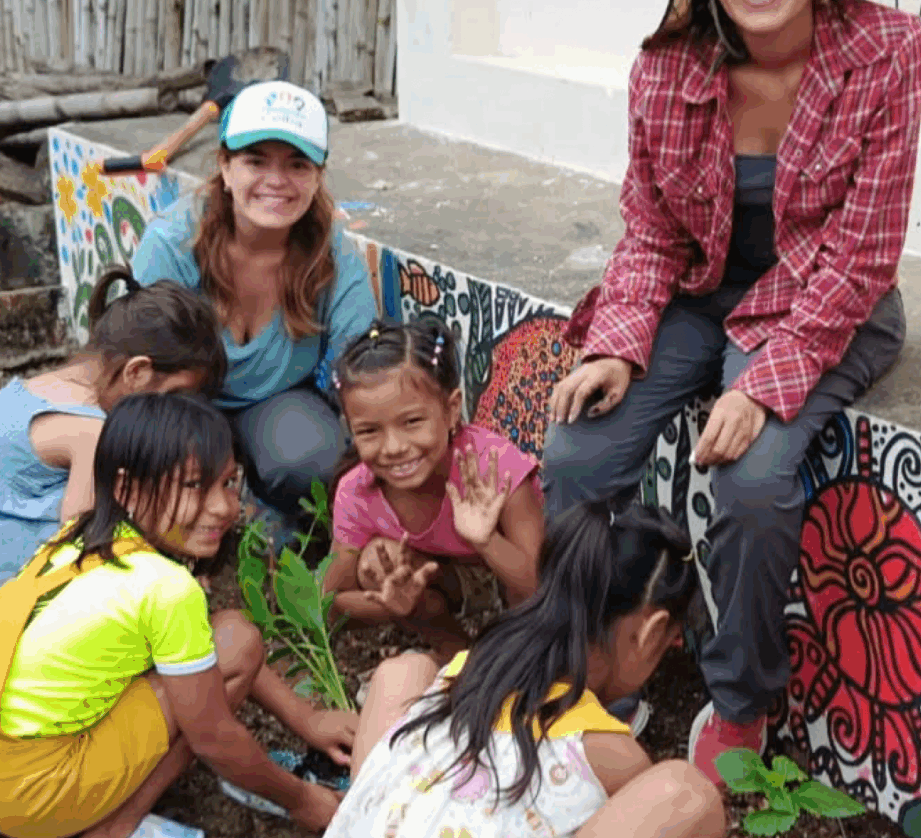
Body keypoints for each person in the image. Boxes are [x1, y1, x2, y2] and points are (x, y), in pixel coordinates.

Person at [542, 0, 921, 782]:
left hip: (827, 301)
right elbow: (651, 228)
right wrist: (618, 340)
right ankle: (599, 664)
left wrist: (764, 380)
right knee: (576, 452)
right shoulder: (668, 63)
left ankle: (743, 699)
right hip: (700, 291)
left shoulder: (885, 52)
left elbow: (863, 260)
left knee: (754, 483)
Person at [0, 392, 357, 838]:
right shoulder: (165, 588)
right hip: (36, 797)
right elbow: (215, 738)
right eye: (193, 486)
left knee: (222, 640)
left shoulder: (80, 537)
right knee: (235, 644)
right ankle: (115, 824)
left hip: (12, 770)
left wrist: (306, 719)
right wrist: (302, 799)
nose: (224, 507)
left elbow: (205, 650)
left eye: (229, 482)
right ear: (128, 489)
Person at [324, 497, 724, 838]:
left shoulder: (463, 670)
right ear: (651, 633)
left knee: (403, 670)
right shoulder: (608, 754)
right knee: (686, 793)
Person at [131, 79, 377, 538]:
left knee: (314, 462)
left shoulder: (333, 253)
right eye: (255, 160)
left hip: (279, 405)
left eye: (297, 164)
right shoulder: (171, 245)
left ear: (318, 175)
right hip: (183, 404)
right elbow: (142, 377)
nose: (277, 181)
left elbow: (358, 365)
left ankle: (265, 501)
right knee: (168, 465)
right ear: (224, 166)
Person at [321, 319, 544, 664]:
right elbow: (332, 601)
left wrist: (486, 541)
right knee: (377, 563)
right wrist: (393, 604)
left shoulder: (495, 467)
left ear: (452, 409)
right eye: (369, 431)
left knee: (535, 623)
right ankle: (457, 652)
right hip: (448, 580)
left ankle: (520, 655)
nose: (393, 447)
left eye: (412, 422)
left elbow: (538, 585)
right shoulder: (358, 490)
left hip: (513, 578)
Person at [0, 264, 226, 583]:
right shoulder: (92, 434)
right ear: (136, 373)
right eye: (174, 396)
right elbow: (76, 547)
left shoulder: (35, 388)